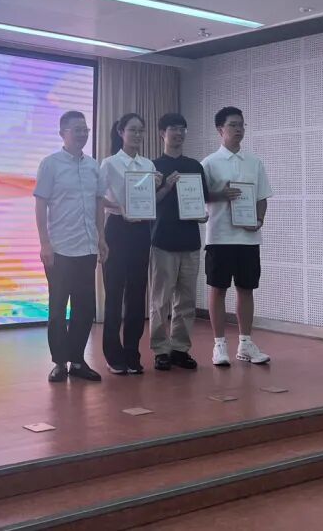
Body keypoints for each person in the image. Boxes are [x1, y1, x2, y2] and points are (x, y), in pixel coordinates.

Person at [34, 111, 107, 383]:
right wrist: (45, 243)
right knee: (57, 309)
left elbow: (99, 204)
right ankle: (59, 362)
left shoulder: (93, 166)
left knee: (84, 308)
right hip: (60, 249)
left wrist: (101, 238)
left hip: (87, 247)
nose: (83, 134)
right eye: (77, 129)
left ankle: (77, 361)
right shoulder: (50, 164)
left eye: (85, 129)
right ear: (62, 133)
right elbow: (41, 204)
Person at [201, 106, 273, 366]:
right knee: (218, 289)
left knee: (246, 289)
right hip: (219, 237)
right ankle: (219, 345)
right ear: (220, 129)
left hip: (248, 239)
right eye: (233, 125)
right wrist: (220, 194)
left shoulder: (254, 162)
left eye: (242, 125)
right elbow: (198, 196)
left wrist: (259, 220)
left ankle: (245, 343)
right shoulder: (209, 163)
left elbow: (262, 197)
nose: (239, 129)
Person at [99, 113, 160, 375]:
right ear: (120, 132)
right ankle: (113, 355)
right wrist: (119, 207)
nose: (137, 135)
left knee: (137, 293)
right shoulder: (110, 163)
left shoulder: (148, 164)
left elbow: (148, 199)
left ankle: (132, 352)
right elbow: (98, 197)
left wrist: (158, 185)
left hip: (141, 231)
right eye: (132, 130)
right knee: (114, 293)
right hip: (117, 228)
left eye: (140, 130)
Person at [149, 113, 208, 371]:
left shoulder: (195, 166)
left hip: (190, 241)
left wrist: (202, 215)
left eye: (183, 129)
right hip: (162, 240)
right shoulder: (153, 166)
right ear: (162, 133)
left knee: (186, 301)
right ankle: (160, 350)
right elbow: (147, 204)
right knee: (160, 300)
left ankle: (180, 349)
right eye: (173, 128)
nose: (179, 133)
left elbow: (202, 200)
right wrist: (166, 187)